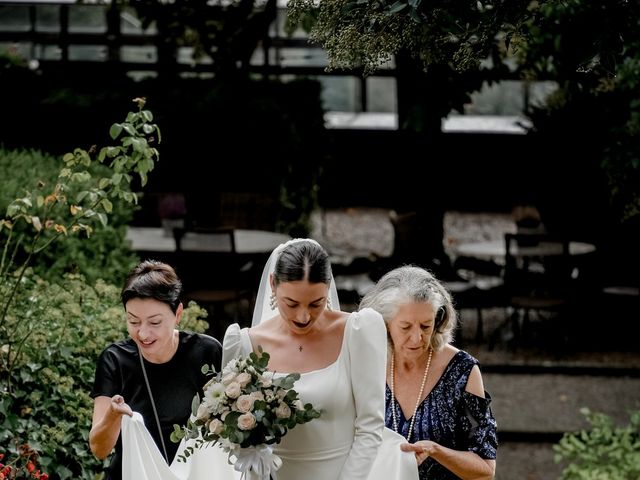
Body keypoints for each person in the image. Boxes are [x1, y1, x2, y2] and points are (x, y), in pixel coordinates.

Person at [221, 238, 418, 479]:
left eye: (316, 303)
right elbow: (232, 429)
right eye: (291, 304)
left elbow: (370, 428)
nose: (303, 316)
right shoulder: (243, 343)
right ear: (273, 285)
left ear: (328, 288)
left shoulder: (358, 332)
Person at [359, 265, 498, 480]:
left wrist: (436, 451)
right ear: (385, 323)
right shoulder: (368, 366)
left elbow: (486, 470)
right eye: (405, 327)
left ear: (438, 320)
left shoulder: (463, 371)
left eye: (425, 326)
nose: (417, 338)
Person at [89, 259, 223, 480]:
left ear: (178, 314)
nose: (143, 333)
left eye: (154, 322)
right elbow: (99, 450)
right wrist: (113, 415)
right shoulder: (114, 359)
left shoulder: (206, 352)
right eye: (133, 321)